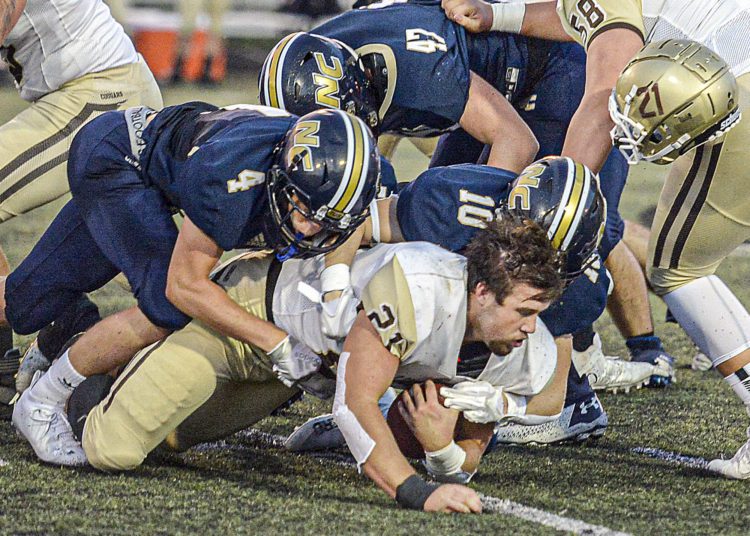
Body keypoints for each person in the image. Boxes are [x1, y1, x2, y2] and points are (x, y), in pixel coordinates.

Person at [442, 0, 750, 473]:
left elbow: (604, 95)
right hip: (732, 66)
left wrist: (564, 194)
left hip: (736, 84)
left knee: (679, 269)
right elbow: (586, 17)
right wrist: (499, 16)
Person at [73, 219, 563, 514]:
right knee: (111, 449)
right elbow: (355, 402)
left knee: (170, 442)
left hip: (294, 373)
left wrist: (447, 451)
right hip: (250, 320)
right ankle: (80, 363)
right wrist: (415, 491)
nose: (529, 328)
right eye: (523, 311)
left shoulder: (511, 339)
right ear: (481, 292)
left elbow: (528, 411)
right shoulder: (419, 286)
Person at [3, 103, 380, 466]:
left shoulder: (355, 180)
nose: (307, 227)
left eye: (326, 217)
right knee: (166, 309)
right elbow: (184, 287)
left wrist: (335, 287)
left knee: (25, 305)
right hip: (116, 164)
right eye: (299, 203)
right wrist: (277, 343)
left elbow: (361, 219)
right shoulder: (233, 177)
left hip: (153, 175)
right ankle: (42, 400)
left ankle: (69, 327)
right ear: (281, 172)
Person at [441, 0, 685, 385]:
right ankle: (604, 354)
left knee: (573, 230)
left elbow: (587, 20)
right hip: (517, 72)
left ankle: (576, 384)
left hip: (574, 79)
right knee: (571, 228)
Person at [0, 0, 163, 402]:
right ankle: (39, 338)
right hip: (91, 92)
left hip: (105, 99)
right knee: (145, 273)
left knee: (163, 285)